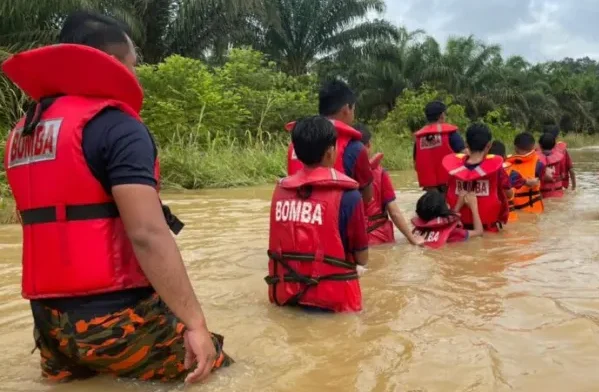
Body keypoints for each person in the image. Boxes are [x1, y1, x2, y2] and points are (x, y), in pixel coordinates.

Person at [1, 11, 232, 383]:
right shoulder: (118, 127)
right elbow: (146, 233)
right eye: (133, 64)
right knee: (218, 372)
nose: (136, 74)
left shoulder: (23, 132)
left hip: (48, 327)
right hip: (114, 323)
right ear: (111, 63)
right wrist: (196, 324)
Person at [265, 116, 368, 312]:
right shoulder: (349, 196)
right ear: (330, 151)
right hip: (333, 303)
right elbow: (362, 257)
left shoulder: (280, 191)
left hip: (286, 299)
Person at [285, 80, 373, 203]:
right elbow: (367, 198)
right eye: (354, 109)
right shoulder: (355, 147)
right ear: (347, 108)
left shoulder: (295, 143)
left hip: (301, 219)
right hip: (335, 218)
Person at [354, 124, 423, 246]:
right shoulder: (380, 173)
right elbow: (394, 212)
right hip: (379, 238)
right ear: (368, 145)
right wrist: (412, 238)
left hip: (354, 240)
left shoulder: (341, 172)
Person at [442, 123, 512, 233]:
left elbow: (447, 194)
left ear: (466, 144)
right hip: (489, 230)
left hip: (459, 229)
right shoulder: (497, 169)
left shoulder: (452, 170)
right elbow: (509, 194)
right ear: (488, 145)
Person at [413, 101, 466, 192]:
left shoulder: (419, 138)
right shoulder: (450, 134)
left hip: (430, 190)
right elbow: (465, 154)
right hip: (449, 186)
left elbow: (415, 164)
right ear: (441, 115)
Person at [411, 190, 483, 248]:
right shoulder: (453, 232)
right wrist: (474, 207)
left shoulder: (419, 229)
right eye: (445, 202)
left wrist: (458, 204)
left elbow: (447, 221)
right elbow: (479, 232)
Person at [507, 132, 545, 213]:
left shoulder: (507, 164)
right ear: (533, 147)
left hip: (512, 210)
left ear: (515, 148)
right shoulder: (539, 165)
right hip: (532, 210)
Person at [490, 140, 517, 223]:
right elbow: (509, 195)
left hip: (488, 213)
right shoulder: (512, 173)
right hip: (506, 217)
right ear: (504, 156)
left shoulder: (481, 171)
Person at [542, 125, 576, 191]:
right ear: (557, 137)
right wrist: (574, 187)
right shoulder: (563, 151)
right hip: (560, 187)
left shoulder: (537, 153)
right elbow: (571, 171)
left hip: (544, 190)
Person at [537, 133, 566, 199]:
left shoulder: (536, 159)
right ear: (554, 145)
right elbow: (563, 176)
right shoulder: (561, 157)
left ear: (540, 145)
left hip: (543, 192)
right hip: (557, 191)